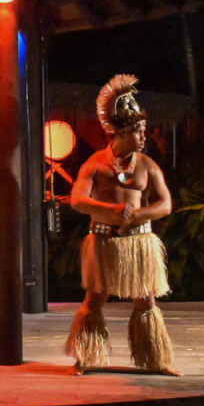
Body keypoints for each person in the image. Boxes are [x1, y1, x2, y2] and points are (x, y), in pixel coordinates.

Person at [64, 75, 178, 375]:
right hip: (103, 241)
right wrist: (111, 210)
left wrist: (137, 216)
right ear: (121, 133)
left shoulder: (147, 165)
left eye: (143, 131)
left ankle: (155, 360)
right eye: (138, 132)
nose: (144, 137)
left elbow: (165, 204)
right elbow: (77, 199)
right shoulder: (95, 164)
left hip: (138, 244)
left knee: (145, 300)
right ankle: (86, 357)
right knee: (95, 298)